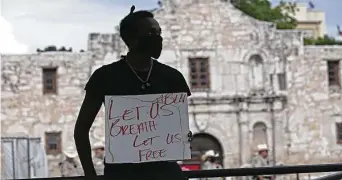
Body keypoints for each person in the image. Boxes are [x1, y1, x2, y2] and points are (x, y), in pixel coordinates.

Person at [74, 5, 192, 180]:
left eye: (159, 33)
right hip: (122, 174)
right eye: (152, 33)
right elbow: (81, 130)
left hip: (166, 174)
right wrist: (90, 174)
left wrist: (182, 137)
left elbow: (177, 128)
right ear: (133, 39)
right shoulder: (105, 77)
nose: (159, 38)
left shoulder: (172, 77)